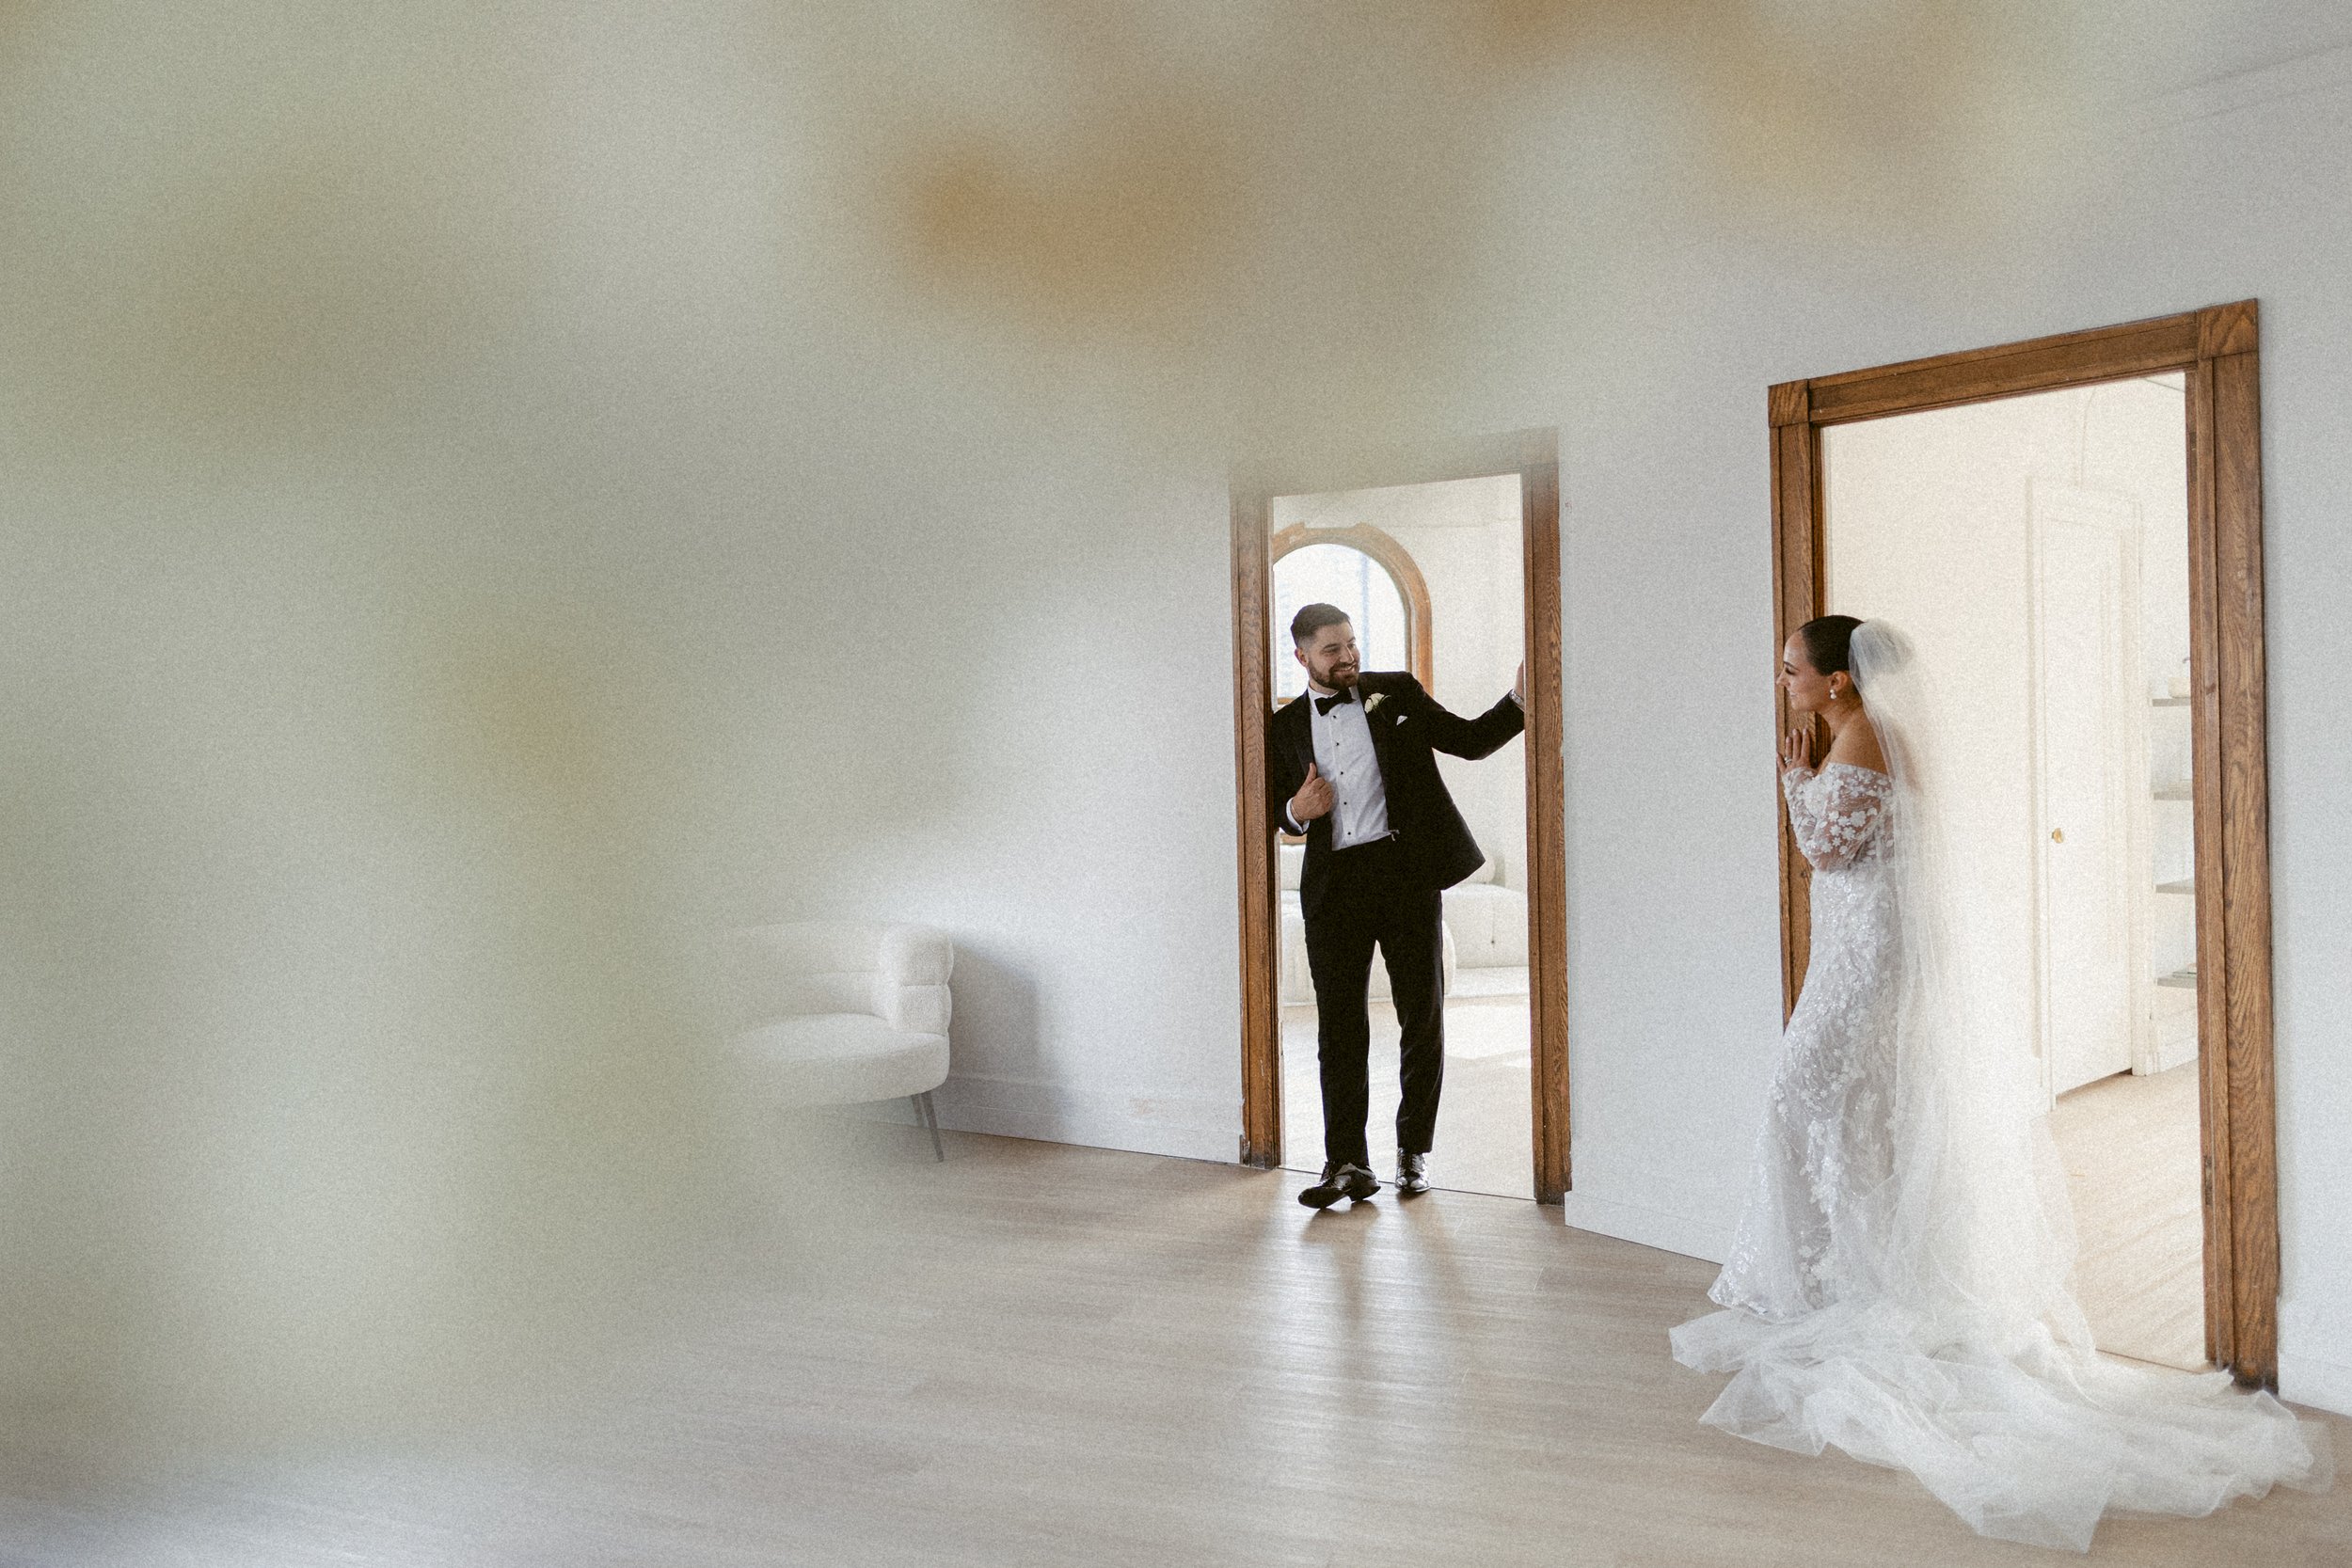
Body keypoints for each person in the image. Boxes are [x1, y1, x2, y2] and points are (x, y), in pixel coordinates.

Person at [1672, 615, 2331, 1552]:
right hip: (1863, 950)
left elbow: (1828, 848)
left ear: (1835, 684)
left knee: (1801, 1096)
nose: (1781, 683)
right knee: (1850, 1111)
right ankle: (1841, 1273)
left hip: (1865, 958)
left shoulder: (1859, 735)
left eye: (1790, 671)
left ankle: (1841, 1286)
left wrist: (1791, 777)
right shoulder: (1873, 730)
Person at [1267, 603, 1524, 1209]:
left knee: (1421, 1014)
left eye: (1351, 644)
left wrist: (1518, 699)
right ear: (1302, 656)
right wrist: (1295, 813)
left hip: (1405, 876)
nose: (1347, 656)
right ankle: (1346, 1162)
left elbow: (1468, 740)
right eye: (1331, 650)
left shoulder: (1397, 692)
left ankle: (1414, 1152)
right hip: (1335, 891)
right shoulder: (1282, 729)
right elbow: (1268, 811)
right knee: (1340, 1026)